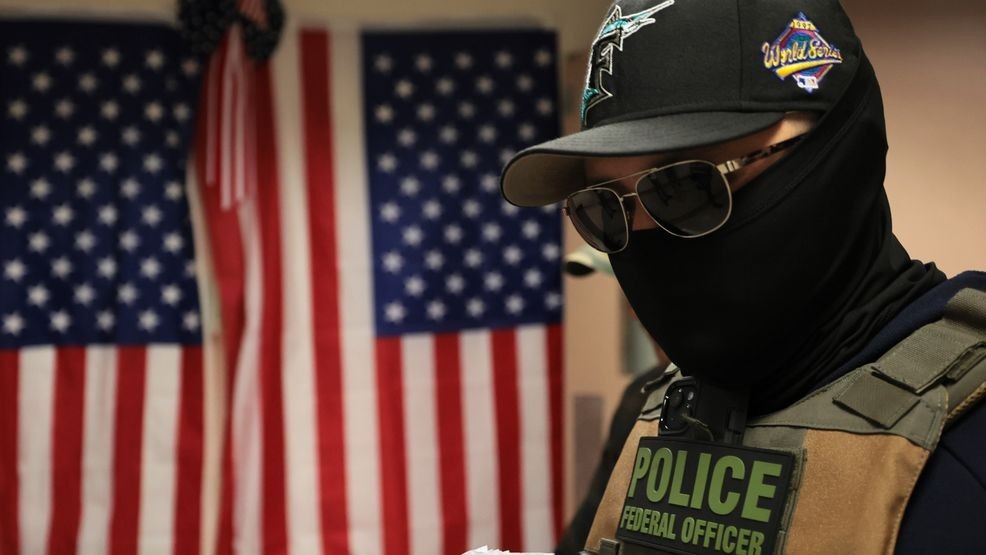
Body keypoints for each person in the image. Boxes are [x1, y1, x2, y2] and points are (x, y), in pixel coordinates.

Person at [500, 1, 986, 553]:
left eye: (686, 185)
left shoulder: (968, 438)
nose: (646, 241)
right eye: (605, 209)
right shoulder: (659, 414)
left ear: (837, 147)